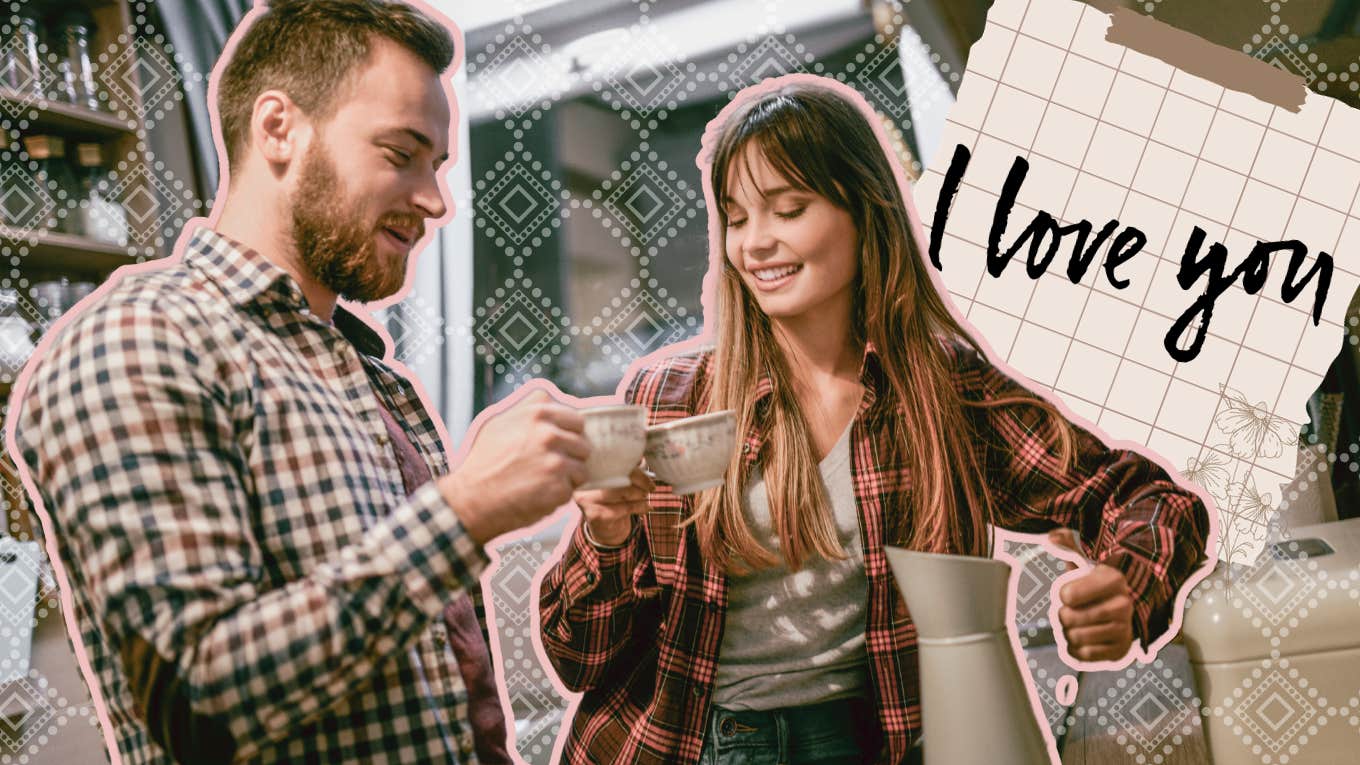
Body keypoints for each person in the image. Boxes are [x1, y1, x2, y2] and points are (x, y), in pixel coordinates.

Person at [538, 77, 1212, 765]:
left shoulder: (940, 388)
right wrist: (605, 535)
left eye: (788, 208)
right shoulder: (671, 398)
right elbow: (577, 657)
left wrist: (1126, 584)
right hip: (681, 746)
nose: (755, 243)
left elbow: (1147, 499)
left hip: (863, 742)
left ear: (864, 209)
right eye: (737, 217)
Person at [9, 2, 591, 763]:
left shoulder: (367, 372)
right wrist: (468, 507)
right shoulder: (136, 339)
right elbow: (202, 702)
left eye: (436, 165)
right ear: (278, 129)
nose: (436, 200)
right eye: (400, 153)